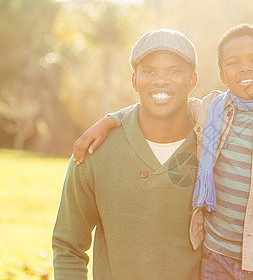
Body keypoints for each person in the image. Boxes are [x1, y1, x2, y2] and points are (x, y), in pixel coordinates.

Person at [73, 24, 253, 279]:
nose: (245, 67)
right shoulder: (211, 112)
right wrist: (111, 120)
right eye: (233, 62)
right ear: (222, 75)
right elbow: (163, 100)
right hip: (216, 259)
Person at [52, 29, 201, 279]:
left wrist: (113, 117)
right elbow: (68, 246)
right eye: (149, 71)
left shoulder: (215, 147)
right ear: (134, 80)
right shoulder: (94, 151)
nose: (160, 80)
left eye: (174, 71)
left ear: (192, 81)